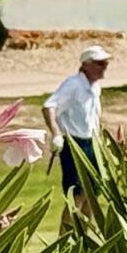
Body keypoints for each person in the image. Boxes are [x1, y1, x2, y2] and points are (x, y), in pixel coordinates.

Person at [46, 42, 111, 208]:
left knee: (93, 193)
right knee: (75, 196)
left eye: (105, 63)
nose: (104, 67)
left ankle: (86, 233)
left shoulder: (95, 87)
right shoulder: (73, 84)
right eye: (100, 63)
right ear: (86, 65)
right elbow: (49, 107)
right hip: (74, 145)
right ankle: (67, 233)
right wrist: (56, 133)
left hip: (92, 143)